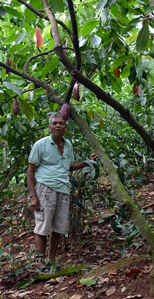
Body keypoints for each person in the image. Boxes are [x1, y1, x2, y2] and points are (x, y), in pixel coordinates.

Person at [26, 111, 97, 272]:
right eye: (55, 123)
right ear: (49, 127)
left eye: (61, 123)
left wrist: (88, 162)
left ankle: (51, 260)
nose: (58, 126)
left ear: (66, 128)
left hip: (63, 189)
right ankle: (40, 262)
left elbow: (69, 167)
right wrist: (33, 196)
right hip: (45, 188)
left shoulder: (68, 145)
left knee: (58, 227)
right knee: (43, 226)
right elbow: (30, 171)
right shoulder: (40, 145)